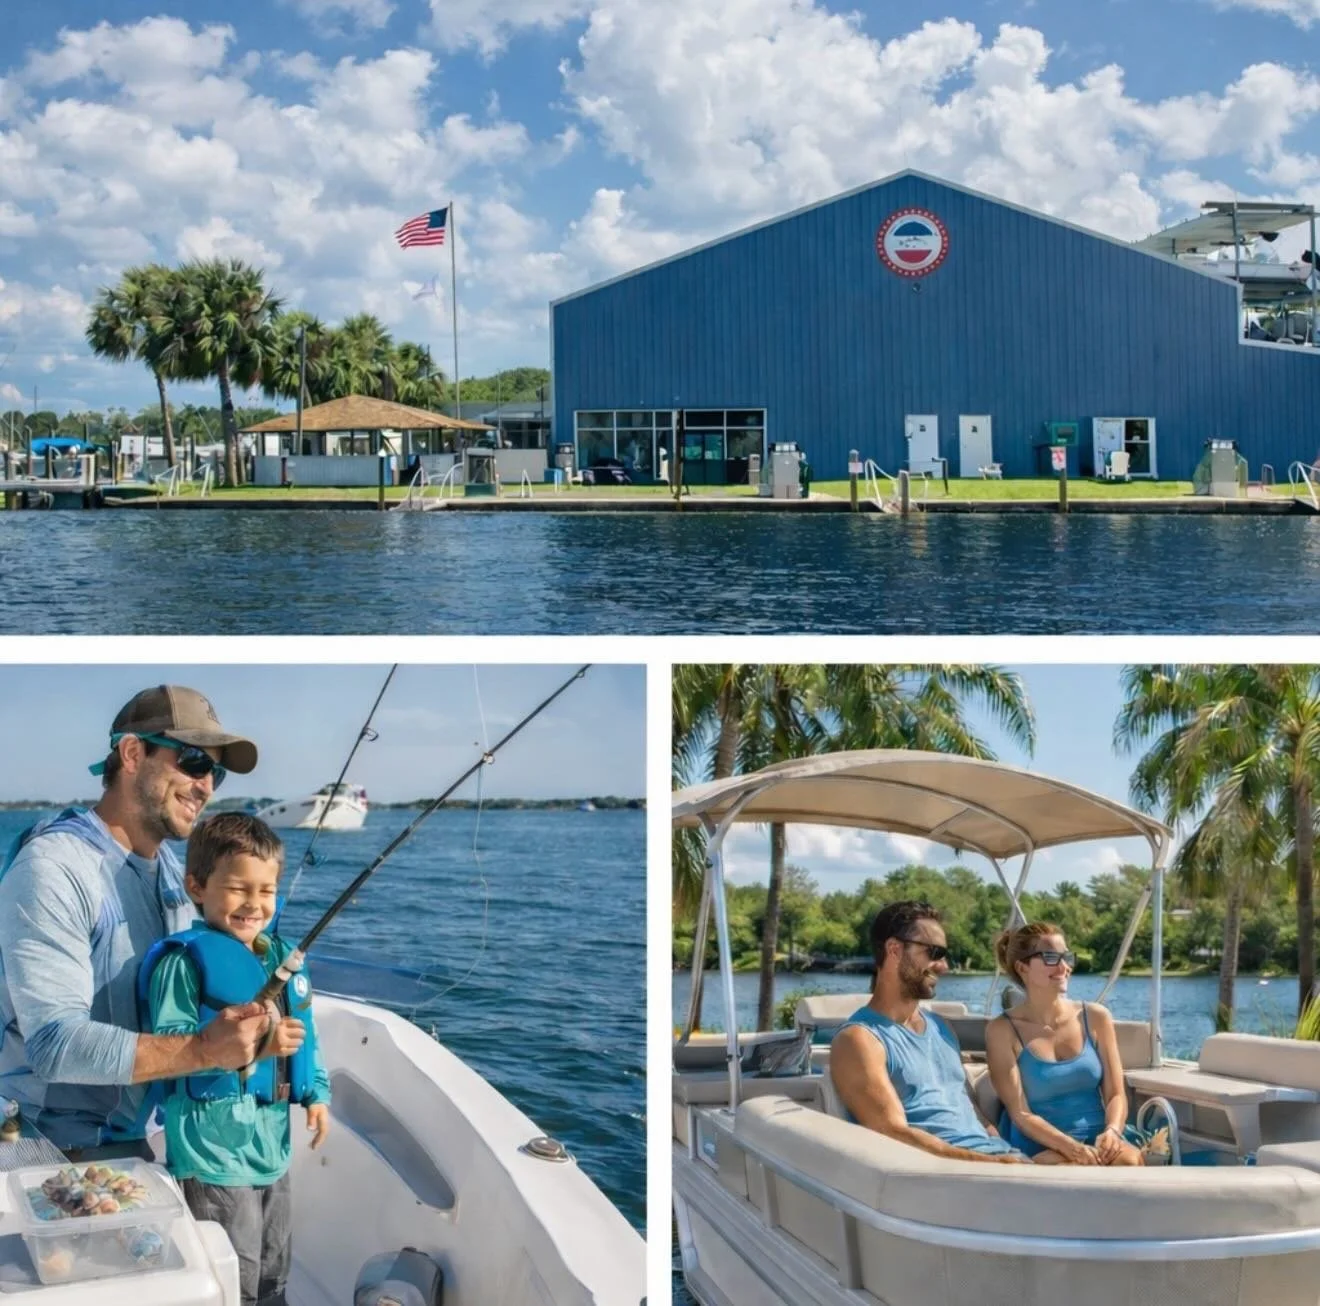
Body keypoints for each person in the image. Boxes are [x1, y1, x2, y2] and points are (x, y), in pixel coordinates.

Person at [0, 685, 281, 1158]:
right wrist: (207, 1051)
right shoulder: (54, 867)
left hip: (143, 1136)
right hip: (50, 1146)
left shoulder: (175, 873)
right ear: (132, 753)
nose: (206, 785)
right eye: (194, 761)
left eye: (215, 771)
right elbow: (54, 1044)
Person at [141, 812, 329, 1306]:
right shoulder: (183, 962)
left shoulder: (279, 958)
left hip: (271, 1148)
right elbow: (171, 1047)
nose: (254, 904)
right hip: (211, 1155)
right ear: (197, 887)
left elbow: (307, 1036)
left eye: (266, 890)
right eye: (238, 888)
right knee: (232, 1277)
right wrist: (258, 1048)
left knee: (273, 1271)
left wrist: (318, 1094)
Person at [830, 901, 1027, 1163]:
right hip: (944, 1175)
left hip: (995, 1161)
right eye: (934, 952)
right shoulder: (859, 1040)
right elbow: (893, 1133)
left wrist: (1008, 1152)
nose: (943, 966)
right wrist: (994, 1164)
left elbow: (969, 1111)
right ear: (894, 949)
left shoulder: (942, 1028)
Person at [985, 922, 1143, 1166]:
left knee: (1129, 1163)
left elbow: (1116, 1094)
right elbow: (1020, 1113)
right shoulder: (1002, 1030)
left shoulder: (1096, 1017)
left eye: (1066, 957)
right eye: (1050, 957)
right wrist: (1070, 1147)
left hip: (1101, 1139)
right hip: (1041, 1143)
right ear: (1022, 967)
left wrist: (1112, 1131)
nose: (1063, 967)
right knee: (1071, 1168)